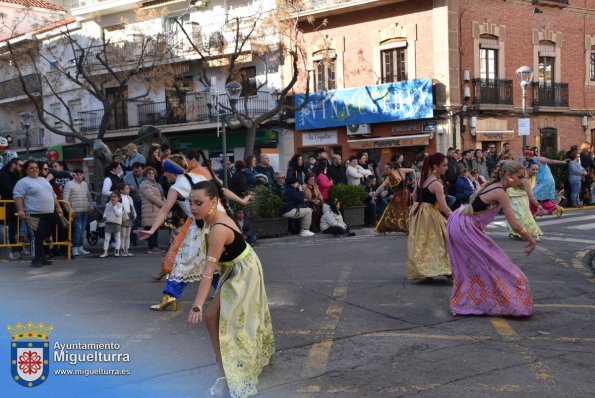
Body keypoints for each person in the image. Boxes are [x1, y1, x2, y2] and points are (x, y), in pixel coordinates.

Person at [187, 181, 274, 398]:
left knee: (231, 322)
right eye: (191, 202)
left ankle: (228, 374)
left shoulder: (218, 229)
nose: (193, 207)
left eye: (198, 202)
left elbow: (208, 272)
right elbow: (220, 188)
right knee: (213, 317)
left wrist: (197, 304)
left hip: (243, 271)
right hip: (234, 267)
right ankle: (223, 370)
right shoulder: (212, 214)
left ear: (213, 202)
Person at [136, 153, 251, 310]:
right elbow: (222, 191)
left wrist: (152, 230)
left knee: (184, 262)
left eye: (166, 171)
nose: (164, 174)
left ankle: (170, 296)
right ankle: (229, 293)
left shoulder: (175, 187)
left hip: (201, 227)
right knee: (214, 262)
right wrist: (242, 200)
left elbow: (164, 210)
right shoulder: (198, 178)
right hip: (219, 224)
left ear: (172, 171)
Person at [447, 160, 536, 317]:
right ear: (508, 175)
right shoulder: (500, 192)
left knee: (477, 266)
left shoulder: (496, 186)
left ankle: (472, 302)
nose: (522, 181)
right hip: (465, 227)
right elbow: (515, 226)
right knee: (497, 265)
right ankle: (502, 304)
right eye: (519, 177)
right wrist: (531, 239)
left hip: (462, 223)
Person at [407, 153, 452, 280]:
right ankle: (445, 268)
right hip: (430, 214)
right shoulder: (436, 184)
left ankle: (426, 269)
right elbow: (444, 208)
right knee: (439, 240)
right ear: (435, 167)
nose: (446, 168)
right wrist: (456, 217)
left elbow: (414, 196)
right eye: (444, 165)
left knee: (423, 242)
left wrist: (419, 208)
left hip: (418, 213)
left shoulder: (421, 178)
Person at [13, 160, 64, 267]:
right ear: (26, 170)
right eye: (31, 168)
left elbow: (53, 195)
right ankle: (35, 259)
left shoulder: (43, 180)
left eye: (36, 167)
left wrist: (58, 207)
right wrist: (21, 210)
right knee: (36, 237)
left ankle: (42, 257)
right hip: (33, 214)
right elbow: (18, 196)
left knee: (44, 236)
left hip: (49, 213)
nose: (34, 170)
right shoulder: (23, 182)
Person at [506, 161, 543, 241]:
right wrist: (538, 205)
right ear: (528, 169)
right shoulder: (525, 179)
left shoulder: (527, 177)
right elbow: (530, 195)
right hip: (518, 199)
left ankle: (517, 233)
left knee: (519, 216)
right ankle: (520, 233)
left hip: (519, 198)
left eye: (537, 169)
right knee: (521, 217)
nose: (535, 171)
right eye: (533, 169)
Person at [375, 162, 415, 233]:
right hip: (404, 194)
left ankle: (388, 227)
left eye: (387, 169)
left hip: (401, 195)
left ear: (392, 169)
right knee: (404, 211)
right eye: (385, 169)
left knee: (392, 211)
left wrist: (415, 181)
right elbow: (382, 186)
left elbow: (413, 170)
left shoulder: (398, 172)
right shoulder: (397, 172)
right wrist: (375, 194)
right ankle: (407, 228)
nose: (385, 171)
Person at [62, 168, 93, 256]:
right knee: (78, 230)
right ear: (74, 175)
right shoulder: (69, 184)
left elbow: (89, 196)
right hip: (76, 211)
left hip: (84, 210)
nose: (79, 176)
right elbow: (65, 199)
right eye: (77, 174)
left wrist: (91, 206)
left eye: (81, 174)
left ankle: (80, 247)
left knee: (82, 230)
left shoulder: (85, 184)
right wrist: (70, 211)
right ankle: (75, 248)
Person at [531, 146, 568, 217]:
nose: (535, 153)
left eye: (536, 151)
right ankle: (557, 208)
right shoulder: (530, 161)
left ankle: (533, 213)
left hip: (546, 182)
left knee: (533, 195)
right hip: (543, 181)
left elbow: (551, 161)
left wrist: (562, 162)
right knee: (543, 199)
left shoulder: (540, 159)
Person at [0, 158, 23, 259]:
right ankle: (12, 251)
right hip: (7, 205)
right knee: (9, 229)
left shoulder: (17, 174)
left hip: (16, 205)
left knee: (17, 228)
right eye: (20, 165)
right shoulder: (3, 174)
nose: (21, 168)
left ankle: (18, 249)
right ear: (13, 165)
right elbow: (9, 189)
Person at [140, 166, 165, 254]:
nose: (151, 175)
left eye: (152, 173)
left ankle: (155, 246)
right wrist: (164, 205)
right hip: (149, 210)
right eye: (149, 173)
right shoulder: (144, 184)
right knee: (151, 228)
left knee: (155, 229)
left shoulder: (156, 184)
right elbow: (151, 197)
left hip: (155, 210)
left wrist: (165, 203)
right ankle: (152, 247)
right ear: (145, 174)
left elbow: (161, 196)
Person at [123, 162, 145, 246]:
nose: (138, 173)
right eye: (136, 171)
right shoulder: (127, 176)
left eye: (139, 171)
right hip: (133, 200)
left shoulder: (146, 174)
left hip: (145, 201)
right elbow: (123, 187)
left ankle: (147, 238)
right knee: (134, 220)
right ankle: (133, 240)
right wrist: (128, 188)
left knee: (146, 220)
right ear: (133, 170)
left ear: (142, 169)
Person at [99, 192, 123, 258]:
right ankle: (105, 252)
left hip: (116, 223)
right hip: (108, 222)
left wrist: (114, 206)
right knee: (106, 239)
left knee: (117, 238)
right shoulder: (107, 204)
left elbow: (118, 214)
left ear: (119, 198)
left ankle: (117, 251)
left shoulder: (120, 205)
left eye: (115, 197)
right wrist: (104, 216)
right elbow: (105, 212)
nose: (113, 198)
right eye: (112, 196)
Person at [117, 184, 136, 257]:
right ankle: (122, 250)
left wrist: (134, 215)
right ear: (121, 190)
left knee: (128, 235)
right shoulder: (119, 198)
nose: (128, 190)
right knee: (123, 235)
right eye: (127, 188)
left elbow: (132, 207)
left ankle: (127, 250)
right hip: (122, 217)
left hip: (129, 216)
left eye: (128, 188)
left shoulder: (129, 198)